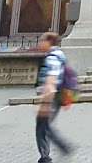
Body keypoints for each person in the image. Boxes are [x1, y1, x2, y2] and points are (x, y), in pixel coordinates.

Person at [35, 31, 75, 163]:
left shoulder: (52, 57)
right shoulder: (59, 55)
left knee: (44, 125)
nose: (40, 43)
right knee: (43, 125)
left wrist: (46, 102)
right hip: (56, 95)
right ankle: (47, 155)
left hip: (52, 96)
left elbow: (52, 80)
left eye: (42, 41)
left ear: (49, 42)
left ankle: (58, 150)